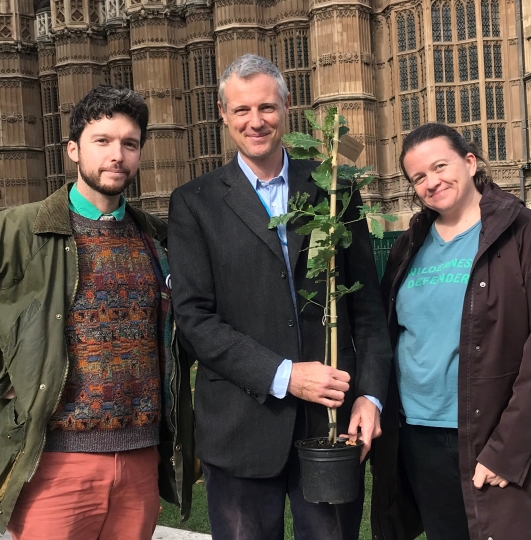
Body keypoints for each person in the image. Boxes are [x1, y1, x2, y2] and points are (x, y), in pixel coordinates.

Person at [0, 85, 194, 540]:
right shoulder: (16, 232)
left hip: (139, 461)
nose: (117, 155)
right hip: (53, 464)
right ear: (73, 149)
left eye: (129, 144)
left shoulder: (158, 239)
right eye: (102, 141)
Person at [168, 54, 392, 540]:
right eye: (242, 110)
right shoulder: (194, 203)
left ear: (287, 108)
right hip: (241, 424)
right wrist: (286, 376)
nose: (256, 121)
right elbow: (195, 320)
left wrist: (370, 397)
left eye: (267, 107)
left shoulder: (333, 187)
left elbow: (368, 312)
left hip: (332, 422)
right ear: (223, 115)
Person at [370, 123, 531, 540]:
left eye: (440, 166)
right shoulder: (409, 245)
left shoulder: (524, 231)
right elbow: (389, 334)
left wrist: (509, 448)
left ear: (469, 161)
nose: (431, 182)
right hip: (419, 434)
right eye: (419, 177)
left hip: (489, 432)